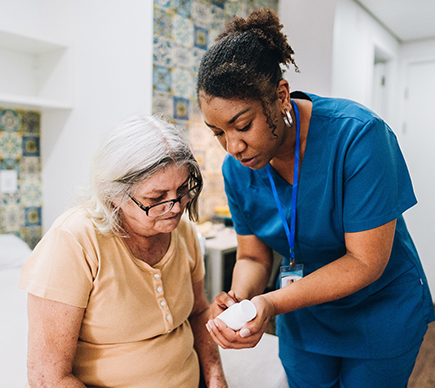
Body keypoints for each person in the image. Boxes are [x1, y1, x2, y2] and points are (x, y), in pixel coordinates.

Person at [196, 7, 435, 388]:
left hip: (378, 312)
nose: (233, 147)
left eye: (242, 125)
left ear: (281, 96)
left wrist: (270, 303)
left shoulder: (359, 138)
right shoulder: (237, 170)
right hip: (305, 313)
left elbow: (364, 262)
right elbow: (253, 255)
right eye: (218, 133)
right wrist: (240, 300)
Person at [19, 114, 228, 388]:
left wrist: (216, 379)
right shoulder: (74, 240)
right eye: (156, 198)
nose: (176, 207)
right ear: (114, 194)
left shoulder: (182, 230)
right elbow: (47, 377)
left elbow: (199, 313)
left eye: (183, 189)